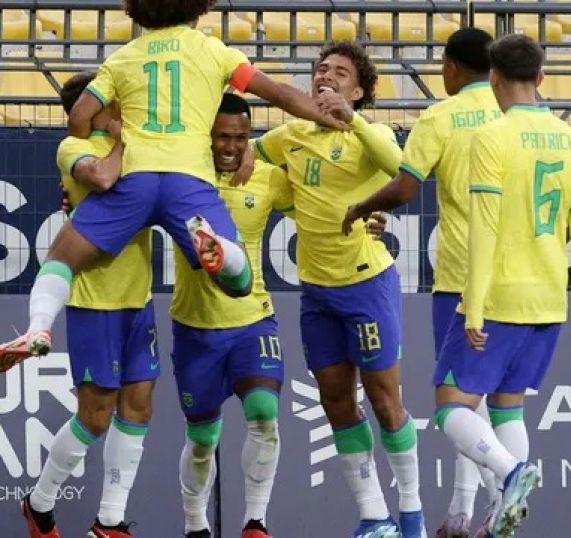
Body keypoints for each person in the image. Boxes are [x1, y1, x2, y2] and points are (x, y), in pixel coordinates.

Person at [0, 0, 348, 371]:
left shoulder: (123, 57)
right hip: (189, 182)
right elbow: (279, 94)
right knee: (238, 281)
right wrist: (335, 119)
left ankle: (38, 328)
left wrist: (82, 157)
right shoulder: (213, 51)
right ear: (198, 7)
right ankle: (218, 250)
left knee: (60, 258)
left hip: (134, 179)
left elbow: (79, 114)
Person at [174, 93, 387, 538]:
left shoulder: (269, 178)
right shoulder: (180, 179)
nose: (231, 147)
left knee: (264, 413)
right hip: (194, 325)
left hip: (254, 319)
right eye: (221, 138)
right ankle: (195, 525)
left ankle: (256, 522)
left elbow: (316, 213)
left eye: (240, 137)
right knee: (202, 441)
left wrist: (368, 216)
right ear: (205, 138)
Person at [431, 34, 571, 537]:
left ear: (494, 80)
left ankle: (511, 475)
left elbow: (483, 229)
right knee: (509, 405)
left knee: (450, 407)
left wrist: (476, 307)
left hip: (501, 295)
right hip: (549, 300)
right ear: (543, 78)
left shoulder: (491, 136)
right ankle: (502, 519)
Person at [254, 41, 426, 538]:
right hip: (317, 292)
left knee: (385, 400)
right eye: (321, 69)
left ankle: (411, 515)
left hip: (366, 284)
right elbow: (245, 159)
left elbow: (401, 168)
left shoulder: (369, 133)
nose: (326, 77)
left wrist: (351, 120)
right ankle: (375, 517)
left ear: (359, 90)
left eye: (340, 72)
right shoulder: (290, 135)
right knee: (335, 400)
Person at [342, 28, 501, 537]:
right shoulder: (516, 111)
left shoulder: (440, 116)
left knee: (456, 404)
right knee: (495, 404)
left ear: (452, 68)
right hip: (518, 274)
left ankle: (500, 491)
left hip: (460, 274)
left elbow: (406, 186)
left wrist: (366, 205)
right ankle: (463, 514)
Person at [21, 73, 157, 538]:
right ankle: (39, 504)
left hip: (139, 298)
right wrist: (124, 145)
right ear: (85, 109)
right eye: (106, 99)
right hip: (94, 301)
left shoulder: (130, 140)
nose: (117, 103)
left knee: (138, 408)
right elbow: (102, 178)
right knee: (95, 418)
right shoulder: (72, 148)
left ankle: (110, 521)